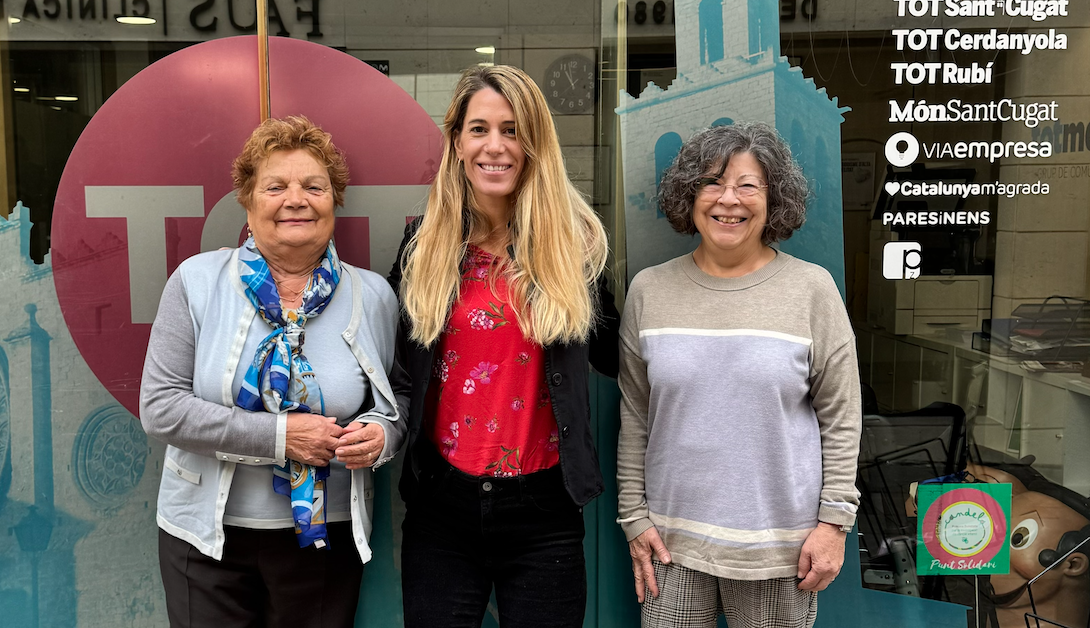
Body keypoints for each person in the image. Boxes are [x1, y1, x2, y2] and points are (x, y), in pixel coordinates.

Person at [140, 115, 408, 628]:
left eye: (314, 186)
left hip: (324, 539)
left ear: (335, 199)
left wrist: (382, 436)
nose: (296, 199)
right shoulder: (196, 282)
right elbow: (161, 408)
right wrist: (281, 436)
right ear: (247, 199)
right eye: (276, 186)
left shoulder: (372, 295)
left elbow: (397, 397)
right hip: (204, 542)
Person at [387, 65, 619, 628]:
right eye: (480, 129)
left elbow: (615, 357)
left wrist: (572, 266)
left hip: (544, 507)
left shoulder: (572, 246)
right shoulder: (424, 245)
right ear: (457, 143)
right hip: (441, 503)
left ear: (534, 143)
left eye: (513, 130)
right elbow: (394, 367)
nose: (496, 146)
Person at [616, 122, 861, 628]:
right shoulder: (649, 291)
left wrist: (834, 525)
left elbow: (842, 418)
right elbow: (636, 415)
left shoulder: (812, 291)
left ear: (774, 200)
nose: (729, 200)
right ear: (689, 195)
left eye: (748, 185)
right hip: (671, 546)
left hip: (779, 548)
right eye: (712, 182)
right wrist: (634, 518)